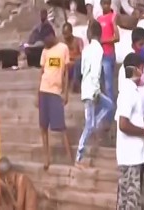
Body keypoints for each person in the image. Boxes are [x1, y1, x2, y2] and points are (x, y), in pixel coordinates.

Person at [118, 27, 144, 188]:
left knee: (142, 163)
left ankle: (136, 197)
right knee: (131, 167)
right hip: (132, 120)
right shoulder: (126, 69)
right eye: (141, 44)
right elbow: (125, 97)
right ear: (133, 46)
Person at [116, 53, 144, 208]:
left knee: (124, 200)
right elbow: (123, 124)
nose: (143, 73)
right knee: (131, 200)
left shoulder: (129, 91)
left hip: (129, 156)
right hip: (130, 157)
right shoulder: (129, 93)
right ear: (136, 70)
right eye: (142, 69)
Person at [75, 21, 115, 167]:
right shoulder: (98, 49)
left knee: (109, 106)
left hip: (86, 88)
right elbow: (96, 72)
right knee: (89, 124)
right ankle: (80, 151)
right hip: (92, 89)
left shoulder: (86, 49)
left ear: (91, 33)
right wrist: (96, 89)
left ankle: (94, 125)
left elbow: (83, 71)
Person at [37, 24, 73, 169]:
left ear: (52, 35)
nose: (45, 43)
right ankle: (46, 158)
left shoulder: (63, 48)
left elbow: (66, 73)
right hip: (43, 90)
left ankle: (70, 157)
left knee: (61, 127)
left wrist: (66, 93)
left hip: (56, 92)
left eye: (46, 39)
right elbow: (41, 72)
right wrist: (36, 94)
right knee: (43, 126)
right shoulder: (45, 51)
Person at [97, 0, 119, 107]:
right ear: (101, 3)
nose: (106, 5)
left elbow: (117, 37)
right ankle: (104, 108)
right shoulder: (99, 19)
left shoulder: (113, 17)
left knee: (109, 85)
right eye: (104, 3)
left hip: (109, 54)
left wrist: (103, 41)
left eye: (108, 3)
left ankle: (111, 109)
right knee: (100, 84)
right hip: (100, 55)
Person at [62, 22, 84, 94]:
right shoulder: (62, 42)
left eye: (67, 33)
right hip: (66, 63)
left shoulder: (78, 41)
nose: (65, 36)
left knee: (78, 63)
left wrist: (72, 59)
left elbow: (82, 54)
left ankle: (75, 85)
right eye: (64, 33)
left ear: (71, 32)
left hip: (76, 63)